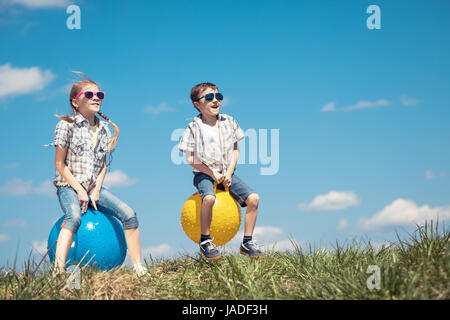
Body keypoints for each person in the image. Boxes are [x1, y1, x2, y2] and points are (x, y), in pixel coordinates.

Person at [49, 77, 148, 276]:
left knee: (129, 215)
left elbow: (102, 165)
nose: (96, 98)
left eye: (99, 95)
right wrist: (79, 189)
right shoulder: (66, 126)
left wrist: (95, 189)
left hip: (92, 187)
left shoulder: (103, 129)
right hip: (68, 185)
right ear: (75, 102)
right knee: (74, 217)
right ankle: (58, 271)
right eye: (89, 94)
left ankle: (139, 267)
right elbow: (59, 164)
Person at [178, 82, 263, 261]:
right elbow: (190, 159)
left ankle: (247, 242)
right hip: (203, 173)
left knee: (253, 199)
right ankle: (205, 241)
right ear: (197, 104)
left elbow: (235, 149)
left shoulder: (229, 121)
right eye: (209, 97)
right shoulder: (194, 127)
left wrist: (229, 172)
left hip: (226, 173)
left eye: (218, 96)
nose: (215, 100)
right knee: (209, 198)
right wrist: (212, 174)